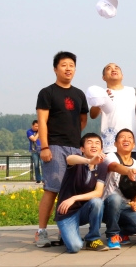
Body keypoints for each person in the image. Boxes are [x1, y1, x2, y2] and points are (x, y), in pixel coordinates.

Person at [35, 51, 89, 248]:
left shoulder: (79, 94)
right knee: (52, 189)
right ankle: (41, 232)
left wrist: (73, 138)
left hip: (74, 147)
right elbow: (42, 121)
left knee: (70, 190)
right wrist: (45, 146)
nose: (68, 69)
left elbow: (82, 120)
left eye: (71, 65)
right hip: (54, 146)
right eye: (64, 65)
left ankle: (63, 230)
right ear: (55, 69)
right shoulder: (47, 92)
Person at [54, 133, 109, 253]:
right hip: (66, 211)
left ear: (101, 149)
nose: (94, 145)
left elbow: (98, 192)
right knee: (75, 247)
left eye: (97, 143)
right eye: (89, 142)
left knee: (97, 202)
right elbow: (69, 159)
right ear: (82, 149)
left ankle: (92, 239)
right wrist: (89, 160)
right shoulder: (77, 162)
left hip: (83, 210)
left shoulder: (102, 166)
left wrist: (74, 198)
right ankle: (64, 233)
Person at [102, 129, 136, 249]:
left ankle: (121, 233)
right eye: (122, 137)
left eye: (129, 138)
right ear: (115, 143)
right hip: (107, 204)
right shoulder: (110, 156)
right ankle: (112, 234)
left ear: (133, 145)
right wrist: (128, 171)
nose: (126, 139)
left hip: (125, 206)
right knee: (115, 199)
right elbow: (114, 166)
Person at [89, 63, 136, 155]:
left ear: (122, 75)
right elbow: (92, 115)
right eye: (109, 68)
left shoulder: (133, 92)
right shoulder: (102, 93)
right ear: (103, 77)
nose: (113, 69)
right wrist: (101, 100)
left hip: (132, 146)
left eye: (116, 68)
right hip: (110, 147)